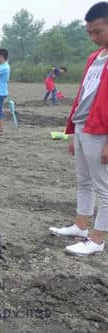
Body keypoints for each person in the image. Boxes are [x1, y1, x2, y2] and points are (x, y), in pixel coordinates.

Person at [49, 2, 108, 256]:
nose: (93, 37)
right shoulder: (94, 58)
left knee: (103, 187)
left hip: (101, 130)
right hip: (83, 125)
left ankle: (97, 239)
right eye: (89, 33)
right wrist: (73, 130)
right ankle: (81, 226)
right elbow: (83, 95)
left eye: (98, 31)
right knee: (83, 181)